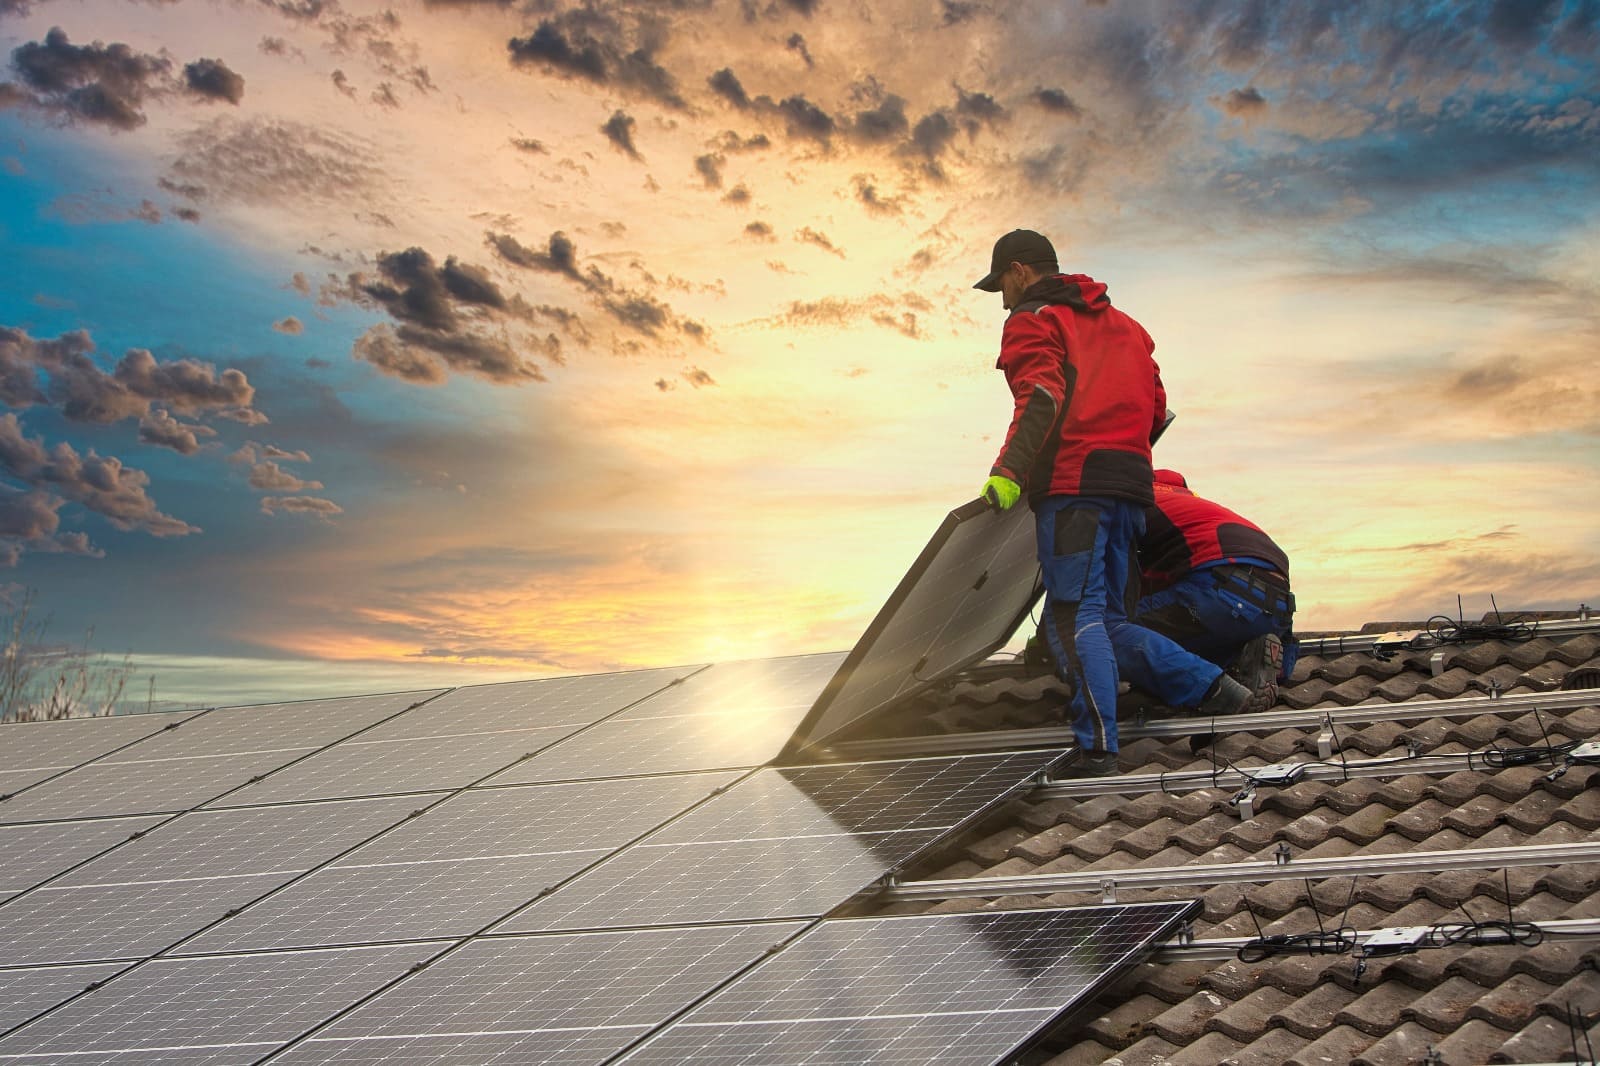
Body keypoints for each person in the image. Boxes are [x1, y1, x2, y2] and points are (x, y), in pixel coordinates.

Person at [974, 229, 1266, 777]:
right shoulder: (1128, 327)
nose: (1003, 300)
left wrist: (1010, 472)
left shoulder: (1032, 320)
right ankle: (1215, 691)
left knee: (1073, 620)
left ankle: (1096, 746)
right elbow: (1156, 408)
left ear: (1018, 272)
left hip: (1074, 491)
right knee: (1109, 619)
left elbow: (1041, 394)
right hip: (1130, 489)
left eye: (1002, 287)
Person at [1126, 469, 1298, 702]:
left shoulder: (1135, 503)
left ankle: (1216, 692)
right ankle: (1244, 657)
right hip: (1277, 611)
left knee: (1114, 631)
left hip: (1221, 592)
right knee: (1188, 635)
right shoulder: (1197, 507)